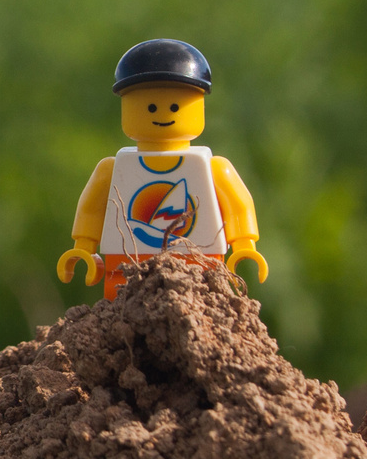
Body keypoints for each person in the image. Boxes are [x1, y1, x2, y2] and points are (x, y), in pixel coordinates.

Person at [55, 39, 267, 301]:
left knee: (202, 303)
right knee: (121, 308)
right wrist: (84, 247)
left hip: (200, 268)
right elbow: (92, 207)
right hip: (127, 268)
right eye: (150, 106)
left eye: (176, 106)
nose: (163, 113)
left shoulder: (213, 167)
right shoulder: (112, 169)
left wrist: (244, 245)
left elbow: (239, 204)